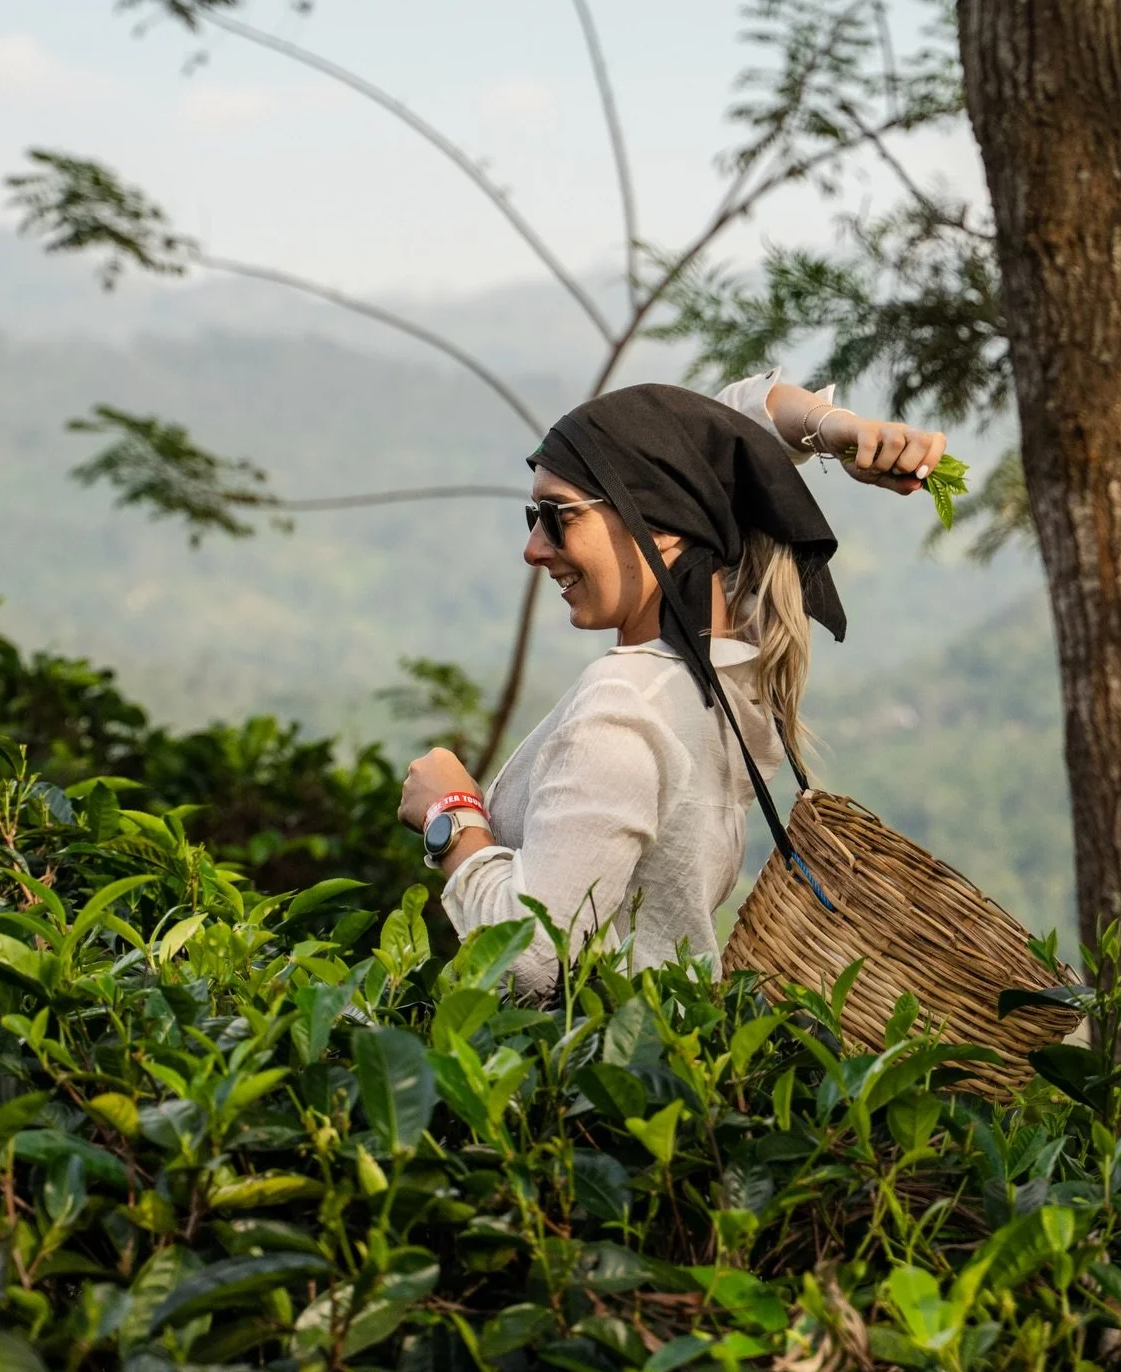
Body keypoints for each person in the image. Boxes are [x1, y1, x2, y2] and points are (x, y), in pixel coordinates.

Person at [398, 371, 946, 996]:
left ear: (662, 520)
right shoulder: (731, 669)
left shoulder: (624, 702)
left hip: (591, 1052)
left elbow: (531, 959)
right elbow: (708, 438)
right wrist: (834, 429)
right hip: (672, 1040)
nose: (534, 548)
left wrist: (452, 818)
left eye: (555, 515)